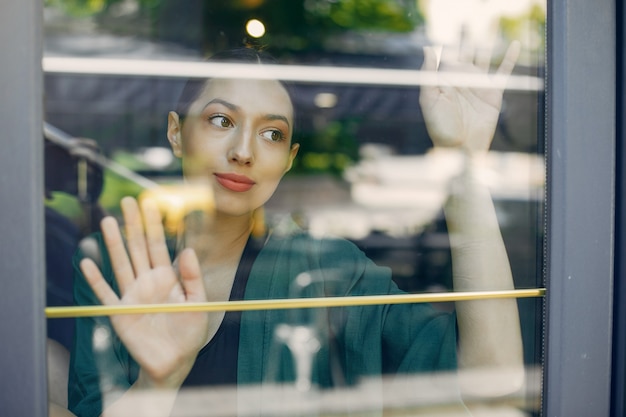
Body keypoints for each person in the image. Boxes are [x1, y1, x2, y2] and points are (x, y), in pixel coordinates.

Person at [68, 44, 524, 417]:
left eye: (272, 134)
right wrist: (156, 383)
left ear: (289, 158)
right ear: (175, 131)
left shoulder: (330, 275)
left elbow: (491, 385)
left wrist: (464, 161)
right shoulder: (112, 270)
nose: (244, 151)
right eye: (221, 121)